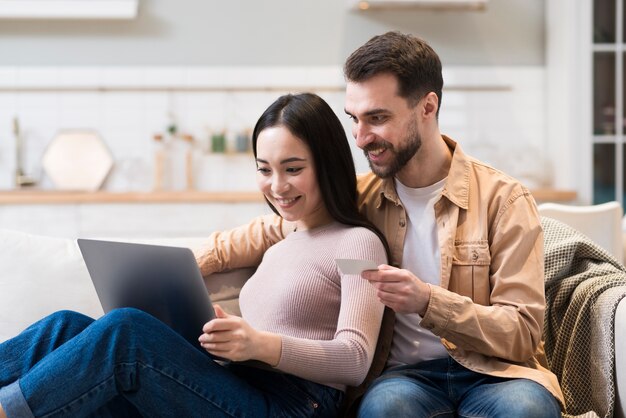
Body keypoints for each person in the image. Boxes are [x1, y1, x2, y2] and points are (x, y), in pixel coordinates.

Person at [195, 31, 565, 418]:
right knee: (385, 409)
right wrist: (180, 264)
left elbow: (522, 332)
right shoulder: (359, 196)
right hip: (404, 377)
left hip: (497, 373)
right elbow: (271, 228)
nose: (359, 138)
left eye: (377, 118)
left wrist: (427, 302)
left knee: (527, 410)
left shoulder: (503, 200)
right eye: (354, 119)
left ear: (427, 107)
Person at [0, 93, 389, 418]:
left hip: (294, 405)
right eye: (264, 170)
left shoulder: (357, 243)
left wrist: (259, 345)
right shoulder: (282, 238)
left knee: (126, 331)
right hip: (236, 384)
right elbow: (227, 249)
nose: (277, 185)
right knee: (64, 327)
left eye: (293, 169)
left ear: (328, 164)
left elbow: (355, 360)